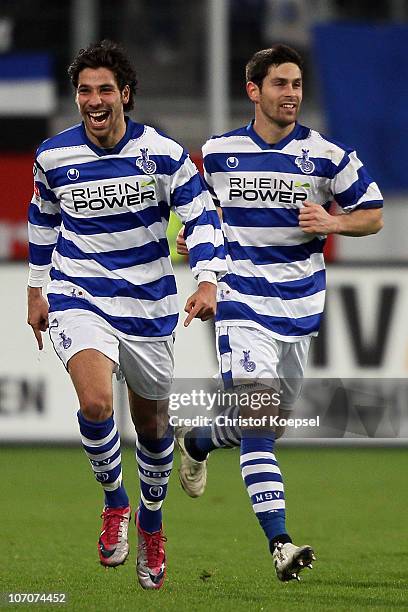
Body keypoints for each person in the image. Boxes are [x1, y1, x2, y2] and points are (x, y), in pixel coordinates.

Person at [175, 44, 383, 582]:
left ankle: (197, 440)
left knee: (263, 425)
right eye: (280, 84)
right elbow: (194, 211)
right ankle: (281, 544)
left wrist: (333, 224)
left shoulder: (328, 156)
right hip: (241, 303)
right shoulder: (219, 153)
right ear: (254, 90)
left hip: (301, 309)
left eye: (296, 85)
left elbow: (373, 215)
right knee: (261, 423)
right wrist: (196, 253)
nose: (291, 94)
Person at [26, 39, 226, 590]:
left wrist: (208, 279)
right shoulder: (53, 156)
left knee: (153, 427)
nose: (94, 99)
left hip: (150, 304)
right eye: (85, 90)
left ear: (125, 95)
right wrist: (35, 291)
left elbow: (202, 216)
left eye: (105, 89)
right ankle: (116, 504)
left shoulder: (163, 154)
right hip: (79, 294)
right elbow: (42, 222)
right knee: (93, 402)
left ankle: (152, 522)